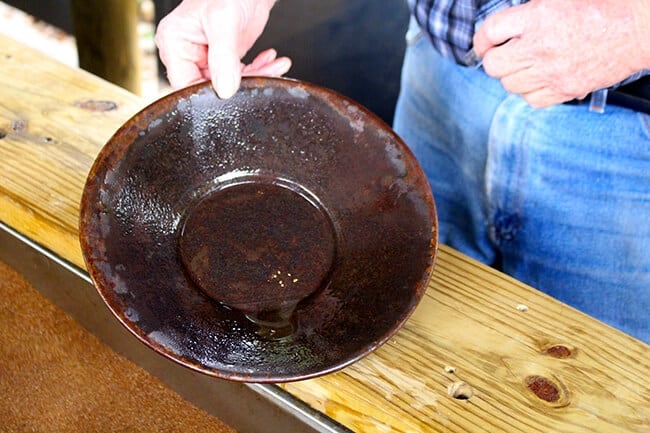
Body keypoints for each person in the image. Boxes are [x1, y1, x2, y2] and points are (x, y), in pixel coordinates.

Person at [155, 0, 650, 343]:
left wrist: (636, 27)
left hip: (628, 140)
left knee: (603, 389)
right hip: (440, 75)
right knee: (413, 356)